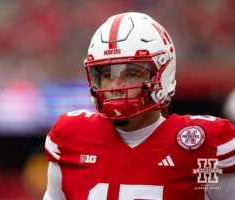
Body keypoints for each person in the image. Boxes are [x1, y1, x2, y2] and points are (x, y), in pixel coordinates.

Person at [43, 12, 235, 200]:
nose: (116, 87)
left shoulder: (204, 144)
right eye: (108, 75)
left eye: (131, 73)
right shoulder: (71, 137)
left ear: (162, 74)